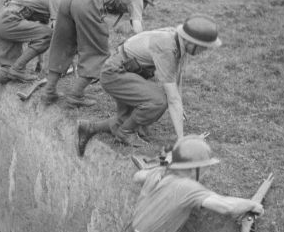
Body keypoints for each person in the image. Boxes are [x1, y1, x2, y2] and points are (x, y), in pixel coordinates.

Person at [107, 135, 265, 232]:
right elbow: (227, 207)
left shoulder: (159, 174)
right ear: (193, 169)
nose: (206, 172)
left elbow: (138, 176)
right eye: (204, 168)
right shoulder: (187, 187)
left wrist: (162, 167)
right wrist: (251, 205)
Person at [75, 16, 222, 157]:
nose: (205, 51)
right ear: (191, 42)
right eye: (204, 47)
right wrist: (182, 139)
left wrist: (180, 106)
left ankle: (89, 128)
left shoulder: (178, 40)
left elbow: (176, 79)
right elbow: (172, 98)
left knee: (127, 119)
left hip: (129, 72)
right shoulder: (167, 48)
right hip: (115, 73)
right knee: (158, 101)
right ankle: (125, 133)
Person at [40, 0, 157, 108]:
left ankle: (48, 91)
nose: (145, 6)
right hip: (88, 0)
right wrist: (145, 48)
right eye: (147, 3)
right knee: (99, 53)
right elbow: (137, 29)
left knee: (63, 45)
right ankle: (75, 95)